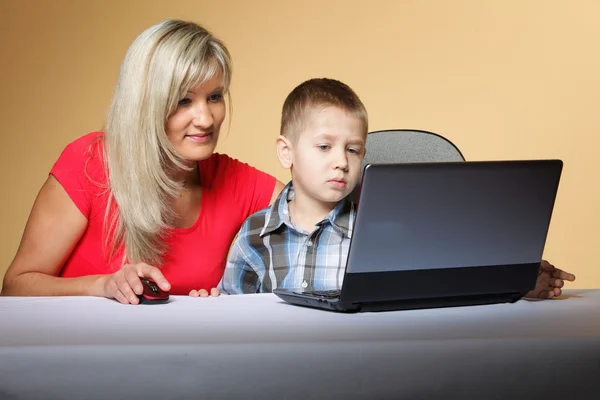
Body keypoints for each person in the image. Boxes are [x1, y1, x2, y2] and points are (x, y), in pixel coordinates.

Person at [1, 19, 285, 303]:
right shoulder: (89, 162)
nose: (206, 119)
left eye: (214, 97)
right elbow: (16, 287)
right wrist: (103, 286)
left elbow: (314, 210)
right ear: (146, 102)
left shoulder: (233, 179)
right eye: (184, 101)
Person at [215, 78, 576, 298]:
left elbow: (445, 289)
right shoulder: (254, 236)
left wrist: (516, 284)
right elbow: (231, 321)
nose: (341, 161)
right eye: (324, 147)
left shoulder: (382, 232)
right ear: (286, 151)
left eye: (353, 150)